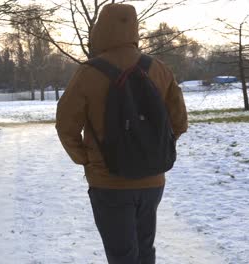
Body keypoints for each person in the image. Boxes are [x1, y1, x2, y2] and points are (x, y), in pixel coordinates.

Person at [55, 3, 188, 264]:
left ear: (100, 32)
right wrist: (154, 147)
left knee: (121, 256)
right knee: (145, 250)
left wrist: (86, 159)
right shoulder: (159, 68)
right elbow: (179, 122)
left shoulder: (88, 73)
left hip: (108, 182)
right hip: (152, 180)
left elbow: (66, 126)